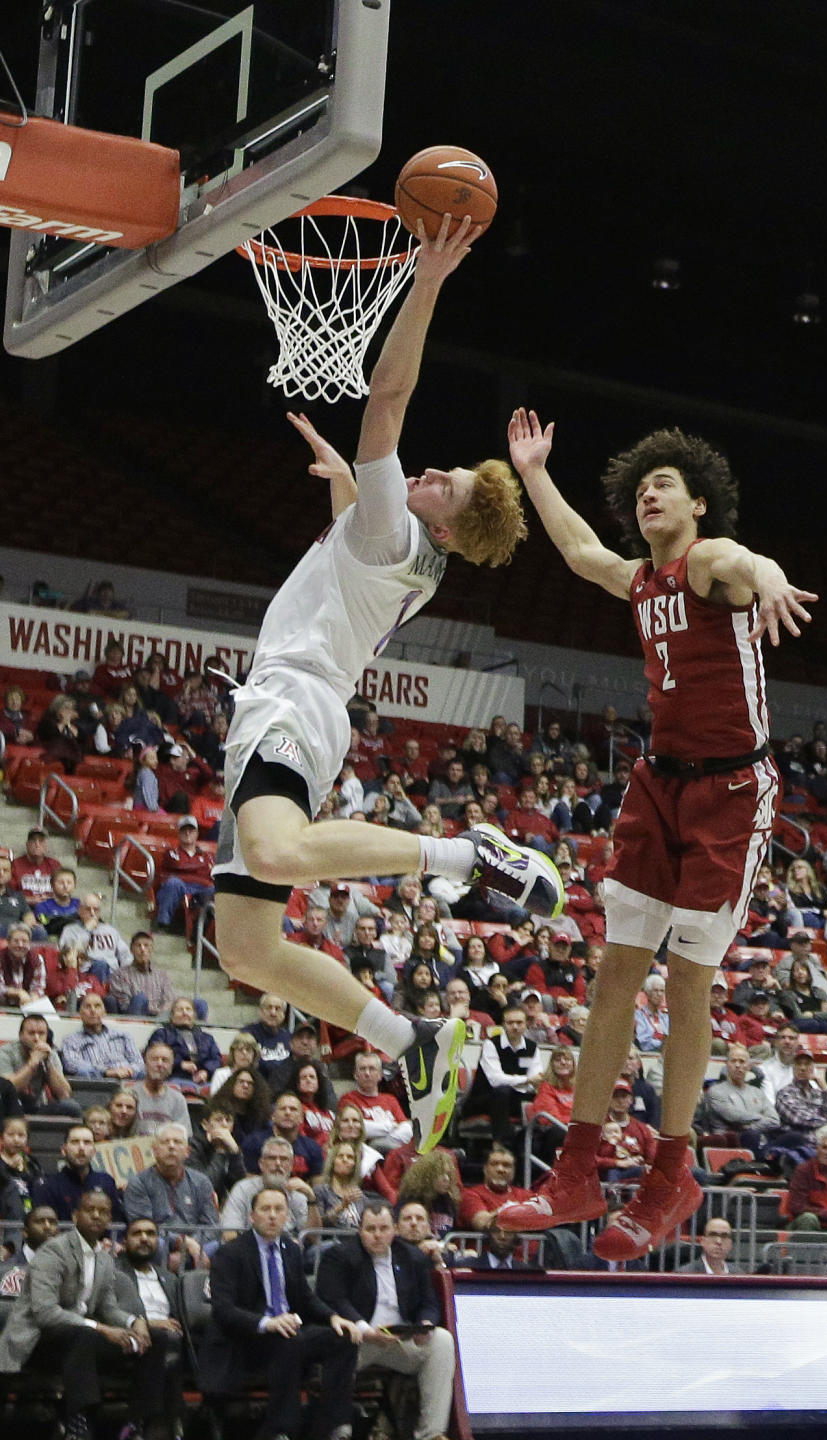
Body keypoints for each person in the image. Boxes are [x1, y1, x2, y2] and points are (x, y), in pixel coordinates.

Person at [211, 221, 561, 1160]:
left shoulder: (398, 534)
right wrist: (340, 482)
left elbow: (390, 392)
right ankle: (411, 1041)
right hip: (295, 706)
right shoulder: (404, 554)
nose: (434, 474)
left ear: (445, 529)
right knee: (245, 947)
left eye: (445, 486)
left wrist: (430, 279)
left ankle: (459, 856)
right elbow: (353, 546)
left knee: (277, 853)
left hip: (292, 700)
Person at [497, 414, 816, 1257]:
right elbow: (576, 553)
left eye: (663, 483)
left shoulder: (708, 561)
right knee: (613, 975)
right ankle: (576, 1168)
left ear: (698, 505)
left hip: (730, 793)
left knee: (684, 984)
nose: (648, 492)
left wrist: (776, 578)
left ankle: (672, 1174)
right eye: (640, 487)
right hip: (660, 784)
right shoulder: (640, 579)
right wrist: (532, 472)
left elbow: (750, 565)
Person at [0, 1189, 166, 1440]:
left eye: (104, 1212)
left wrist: (136, 1322)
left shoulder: (105, 1258)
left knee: (156, 1338)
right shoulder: (53, 1251)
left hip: (78, 1341)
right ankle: (79, 1422)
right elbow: (45, 1312)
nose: (97, 1216)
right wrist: (100, 1329)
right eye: (91, 1210)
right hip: (38, 1341)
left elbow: (108, 1308)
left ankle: (138, 1423)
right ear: (76, 1215)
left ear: (111, 1219)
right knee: (84, 1335)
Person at [200, 1185, 360, 1440]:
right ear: (252, 1216)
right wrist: (267, 1323)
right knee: (289, 1340)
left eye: (279, 1209)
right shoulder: (230, 1253)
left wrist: (334, 1317)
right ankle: (280, 1430)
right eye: (265, 1209)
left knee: (343, 1338)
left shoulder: (290, 1249)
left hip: (287, 1333)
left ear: (287, 1216)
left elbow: (305, 1298)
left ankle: (333, 1424)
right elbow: (223, 1310)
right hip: (246, 1338)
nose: (272, 1215)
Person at [316, 1199, 456, 1440]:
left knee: (442, 1340)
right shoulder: (340, 1256)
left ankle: (431, 1433)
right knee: (342, 1341)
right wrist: (363, 1328)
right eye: (370, 1229)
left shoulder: (412, 1257)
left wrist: (425, 1324)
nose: (377, 1236)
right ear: (360, 1230)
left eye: (383, 1229)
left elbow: (429, 1303)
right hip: (361, 1339)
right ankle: (338, 1427)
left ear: (395, 1230)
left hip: (399, 1338)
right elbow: (334, 1299)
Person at [114, 1217, 185, 1438]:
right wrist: (150, 1322)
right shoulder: (115, 1273)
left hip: (171, 1340)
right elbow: (109, 1310)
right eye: (137, 1234)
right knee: (161, 1340)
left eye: (150, 1234)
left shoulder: (169, 1278)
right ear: (124, 1242)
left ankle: (148, 1424)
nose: (144, 1238)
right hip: (130, 1338)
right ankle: (161, 1422)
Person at [123, 1123, 220, 1269]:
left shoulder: (201, 1181)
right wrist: (182, 1242)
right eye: (165, 1142)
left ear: (187, 1152)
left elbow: (211, 1225)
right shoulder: (139, 1182)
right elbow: (143, 1226)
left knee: (219, 1246)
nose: (171, 1146)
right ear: (155, 1151)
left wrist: (192, 1247)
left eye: (177, 1142)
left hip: (197, 1246)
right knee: (155, 1244)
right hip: (160, 1244)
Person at [459, 1003, 544, 1142]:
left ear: (526, 1024)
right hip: (484, 1099)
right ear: (503, 1025)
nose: (515, 1027)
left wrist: (529, 1081)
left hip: (515, 1098)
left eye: (519, 1022)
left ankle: (534, 1145)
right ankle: (503, 1144)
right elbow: (496, 1080)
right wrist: (526, 1080)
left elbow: (537, 1079)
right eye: (510, 1023)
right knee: (502, 1092)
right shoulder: (491, 1045)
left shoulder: (532, 1048)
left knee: (541, 1096)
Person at [221, 1134, 321, 1241]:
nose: (278, 1163)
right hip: (248, 1250)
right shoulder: (243, 1188)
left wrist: (311, 1199)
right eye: (272, 1158)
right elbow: (229, 1234)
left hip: (290, 1253)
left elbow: (313, 1238)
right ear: (261, 1164)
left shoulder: (298, 1192)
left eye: (283, 1159)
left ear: (291, 1165)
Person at [33, 1122, 122, 1221]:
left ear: (93, 1151)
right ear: (64, 1150)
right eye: (75, 1142)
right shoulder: (48, 1185)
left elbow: (117, 1223)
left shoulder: (106, 1182)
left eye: (87, 1142)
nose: (81, 1148)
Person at [0, 1013, 80, 1116]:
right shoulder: (5, 1052)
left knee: (71, 1107)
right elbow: (6, 1090)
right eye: (31, 1033)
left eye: (41, 1033)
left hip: (37, 1106)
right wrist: (32, 1064)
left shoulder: (51, 1054)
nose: (37, 1038)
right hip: (9, 1106)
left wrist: (48, 1063)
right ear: (21, 1035)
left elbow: (64, 1094)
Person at [337, 1052, 413, 1155]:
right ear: (355, 1074)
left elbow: (407, 1129)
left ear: (380, 1075)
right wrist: (391, 1126)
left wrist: (381, 1136)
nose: (367, 1073)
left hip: (395, 1151)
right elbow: (359, 1128)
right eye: (362, 1069)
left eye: (372, 1069)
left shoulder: (390, 1099)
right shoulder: (348, 1099)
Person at [61, 992, 146, 1080]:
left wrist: (129, 1070)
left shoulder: (123, 1036)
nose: (93, 1010)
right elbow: (71, 1065)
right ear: (80, 1013)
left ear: (104, 1012)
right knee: (83, 1071)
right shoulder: (71, 1040)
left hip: (127, 1081)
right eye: (87, 1006)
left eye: (97, 1006)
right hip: (96, 1085)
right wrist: (106, 1072)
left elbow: (139, 1063)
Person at [154, 816, 215, 931]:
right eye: (184, 830)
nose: (187, 833)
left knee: (215, 889)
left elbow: (212, 873)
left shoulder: (207, 856)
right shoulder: (171, 852)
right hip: (180, 885)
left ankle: (202, 929)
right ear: (178, 833)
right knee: (173, 883)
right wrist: (200, 866)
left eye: (191, 830)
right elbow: (178, 865)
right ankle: (163, 923)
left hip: (202, 888)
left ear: (197, 833)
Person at [147, 996, 221, 1085]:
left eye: (188, 1009)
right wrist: (181, 1064)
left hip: (204, 1079)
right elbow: (154, 1056)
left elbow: (216, 1059)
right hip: (174, 1077)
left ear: (194, 1015)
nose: (185, 1013)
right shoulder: (162, 1034)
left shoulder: (207, 1038)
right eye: (180, 1010)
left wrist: (206, 1071)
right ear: (172, 1015)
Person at [458, 1145, 532, 1232]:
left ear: (514, 1171)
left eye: (506, 1165)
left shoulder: (526, 1195)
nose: (500, 1169)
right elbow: (483, 1222)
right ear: (485, 1169)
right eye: (494, 1164)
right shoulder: (470, 1194)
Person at [108, 931, 177, 1018]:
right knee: (139, 999)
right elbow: (124, 1004)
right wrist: (153, 1009)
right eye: (138, 945)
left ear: (152, 949)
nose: (143, 949)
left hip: (159, 1018)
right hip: (133, 1016)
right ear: (131, 949)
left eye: (146, 945)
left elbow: (169, 1000)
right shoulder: (119, 974)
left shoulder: (162, 975)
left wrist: (160, 1011)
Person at [128, 1041, 192, 1135]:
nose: (159, 1064)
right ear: (145, 1063)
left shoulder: (178, 1100)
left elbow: (184, 1135)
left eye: (165, 1060)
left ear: (171, 1067)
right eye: (154, 1059)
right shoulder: (129, 1094)